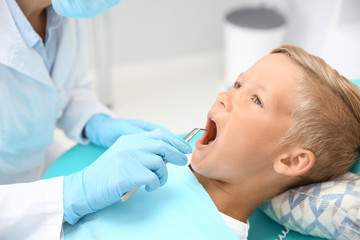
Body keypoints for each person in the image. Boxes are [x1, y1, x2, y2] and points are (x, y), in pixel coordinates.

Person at [62, 45, 360, 239]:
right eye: (238, 85)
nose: (224, 96)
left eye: (256, 100)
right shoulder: (144, 163)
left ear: (291, 160)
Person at [0, 0, 192, 239]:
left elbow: (63, 89)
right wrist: (73, 194)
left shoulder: (59, 11)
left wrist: (95, 121)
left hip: (38, 163)